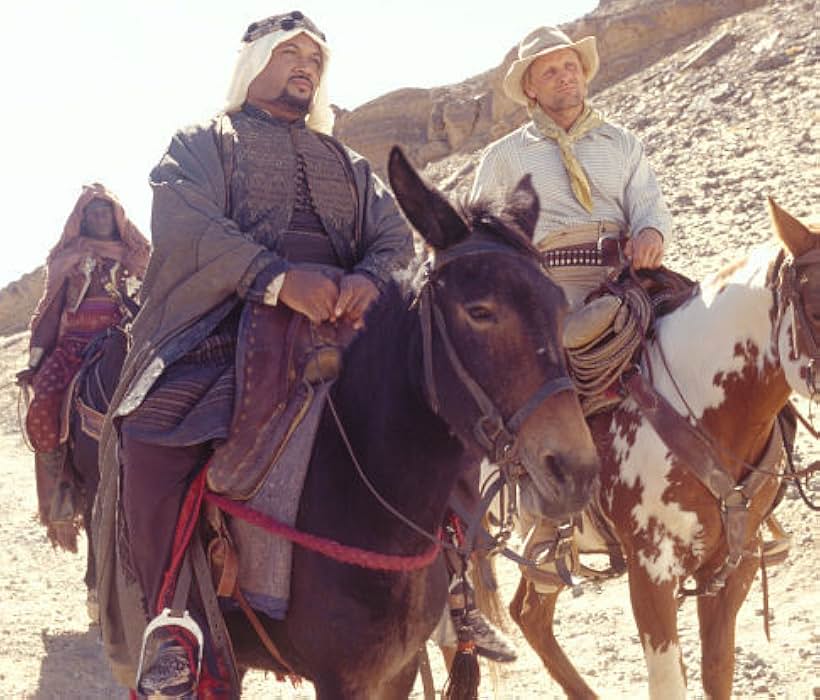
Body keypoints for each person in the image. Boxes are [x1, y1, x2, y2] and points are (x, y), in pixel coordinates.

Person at [93, 12, 510, 696]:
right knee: (150, 429)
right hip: (223, 325)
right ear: (253, 61)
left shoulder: (347, 161)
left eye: (315, 56)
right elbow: (187, 223)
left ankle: (457, 585)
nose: (306, 65)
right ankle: (173, 619)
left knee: (449, 420)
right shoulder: (201, 144)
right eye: (290, 51)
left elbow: (390, 240)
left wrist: (363, 282)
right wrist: (280, 279)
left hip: (345, 327)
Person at [471, 26, 673, 310]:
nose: (564, 75)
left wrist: (652, 232)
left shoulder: (621, 142)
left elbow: (648, 204)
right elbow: (478, 235)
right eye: (550, 72)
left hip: (625, 277)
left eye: (570, 65)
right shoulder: (503, 156)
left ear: (583, 73)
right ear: (530, 89)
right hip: (546, 289)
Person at [18, 184, 149, 529]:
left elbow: (154, 301)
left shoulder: (136, 257)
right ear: (82, 219)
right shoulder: (68, 259)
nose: (100, 217)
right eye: (92, 213)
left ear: (117, 217)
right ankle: (62, 492)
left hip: (126, 343)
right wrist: (34, 363)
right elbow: (49, 312)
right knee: (44, 403)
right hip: (74, 346)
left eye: (106, 211)